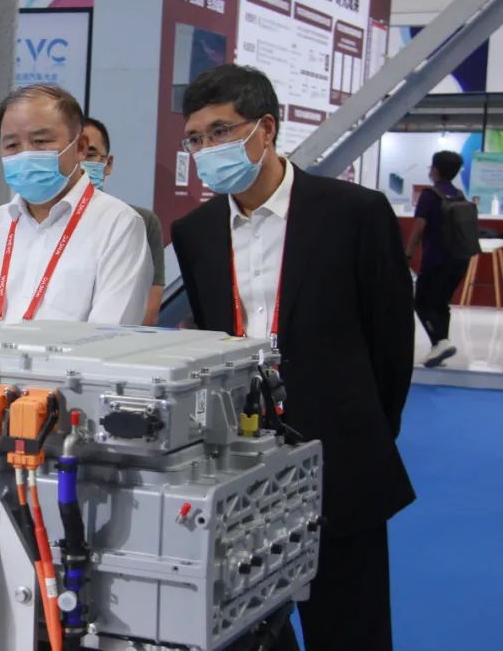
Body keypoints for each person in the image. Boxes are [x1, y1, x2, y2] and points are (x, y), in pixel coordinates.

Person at [170, 64, 415, 651]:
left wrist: (364, 428)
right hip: (239, 459)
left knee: (348, 625)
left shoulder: (353, 213)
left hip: (339, 455)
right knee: (246, 625)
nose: (207, 149)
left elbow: (391, 343)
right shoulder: (196, 232)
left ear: (266, 129)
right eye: (196, 139)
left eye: (221, 131)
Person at [0, 84, 152, 324]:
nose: (25, 154)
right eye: (12, 145)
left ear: (80, 147)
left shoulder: (118, 225)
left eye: (40, 141)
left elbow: (110, 333)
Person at [81, 116, 165, 325]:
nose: (80, 164)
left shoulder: (139, 221)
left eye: (90, 155)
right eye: (74, 154)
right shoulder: (46, 222)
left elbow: (148, 310)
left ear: (108, 164)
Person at [405, 150, 471, 367]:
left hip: (436, 260)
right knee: (441, 303)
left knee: (422, 303)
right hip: (460, 260)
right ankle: (439, 347)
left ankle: (441, 342)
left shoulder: (430, 195)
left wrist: (408, 252)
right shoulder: (459, 195)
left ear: (435, 170)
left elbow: (419, 226)